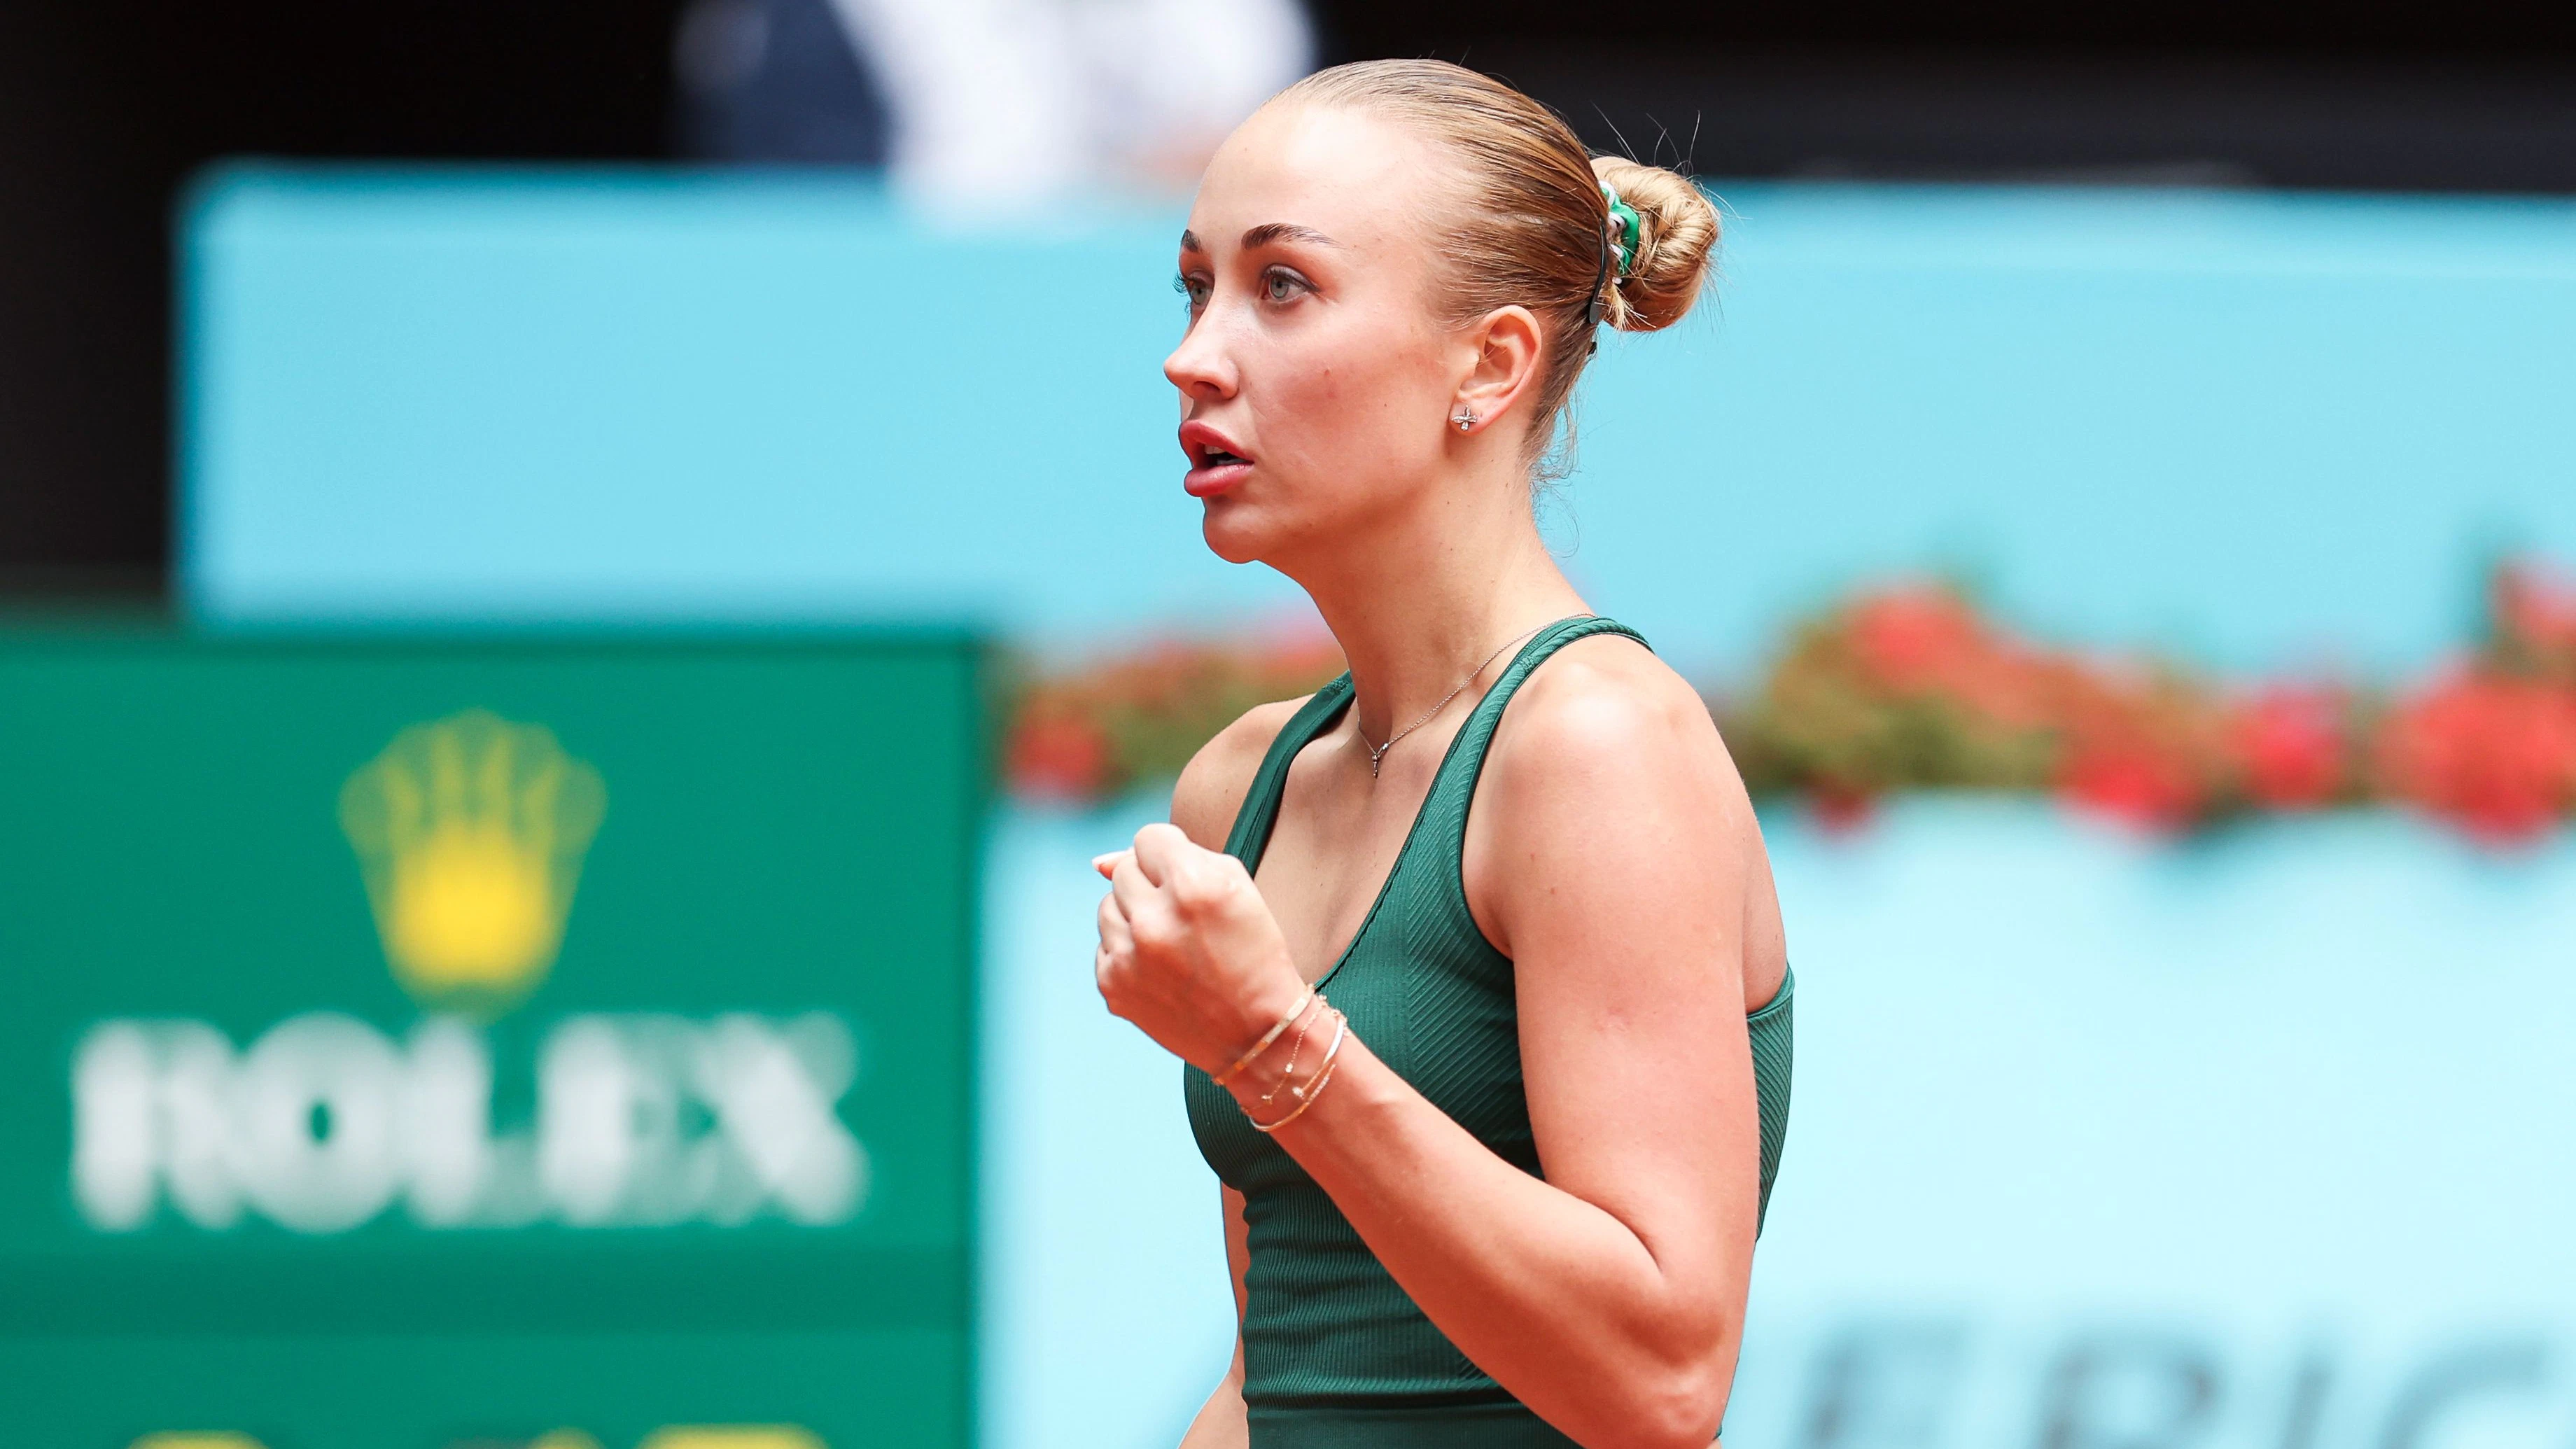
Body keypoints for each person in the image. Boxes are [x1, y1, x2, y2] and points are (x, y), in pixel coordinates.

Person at [1090, 59, 1794, 1449]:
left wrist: (1270, 1039)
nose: (1195, 353)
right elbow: (1276, 1378)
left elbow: (1659, 1385)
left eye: (1280, 287)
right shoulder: (1241, 785)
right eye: (1196, 287)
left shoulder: (1598, 747)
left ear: (1490, 364)